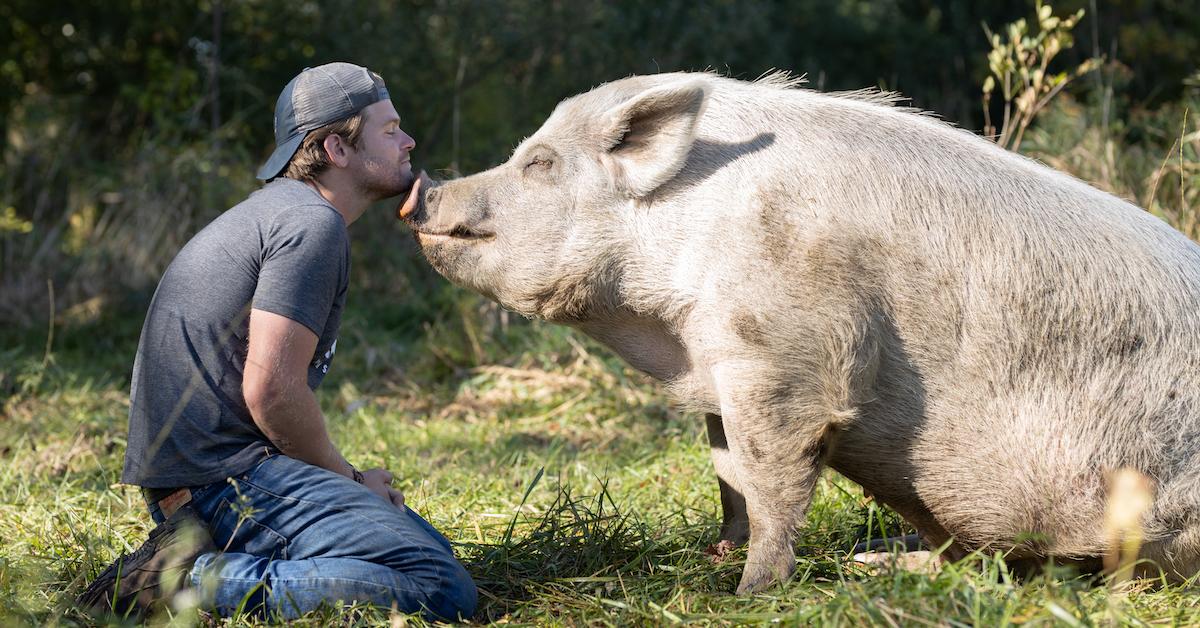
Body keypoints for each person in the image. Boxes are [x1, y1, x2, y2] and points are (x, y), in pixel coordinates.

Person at [77, 62, 477, 622]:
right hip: (223, 485)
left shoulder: (281, 214)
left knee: (427, 555)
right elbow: (272, 392)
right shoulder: (313, 225)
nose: (409, 141)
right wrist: (354, 482)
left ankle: (199, 562)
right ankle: (183, 582)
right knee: (439, 587)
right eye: (389, 130)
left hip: (208, 482)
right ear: (337, 147)